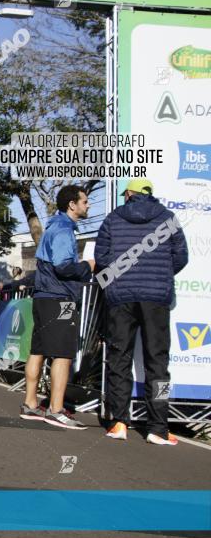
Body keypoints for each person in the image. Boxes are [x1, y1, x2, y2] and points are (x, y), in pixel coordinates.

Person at [95, 178, 188, 445]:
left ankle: (118, 423)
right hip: (156, 297)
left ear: (131, 194)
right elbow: (181, 256)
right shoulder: (168, 218)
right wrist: (161, 277)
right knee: (158, 362)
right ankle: (157, 428)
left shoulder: (113, 218)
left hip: (121, 294)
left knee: (119, 357)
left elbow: (102, 257)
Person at [20, 185, 94, 429]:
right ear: (72, 205)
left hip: (43, 296)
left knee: (38, 350)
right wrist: (87, 266)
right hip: (59, 297)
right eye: (85, 201)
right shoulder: (63, 229)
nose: (88, 205)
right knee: (63, 354)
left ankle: (30, 404)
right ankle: (56, 410)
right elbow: (64, 267)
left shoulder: (53, 226)